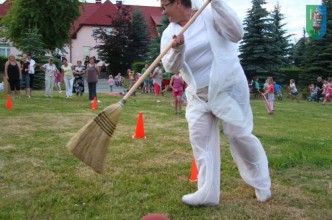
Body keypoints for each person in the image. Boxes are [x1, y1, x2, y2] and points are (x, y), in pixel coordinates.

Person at [160, 0, 271, 206]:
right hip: (198, 95)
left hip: (227, 87)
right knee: (200, 140)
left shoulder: (210, 11)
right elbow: (171, 67)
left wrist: (218, 3)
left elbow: (237, 34)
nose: (163, 11)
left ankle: (261, 184)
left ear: (177, 2)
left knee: (238, 136)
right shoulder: (170, 32)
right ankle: (207, 193)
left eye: (164, 5)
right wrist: (178, 48)